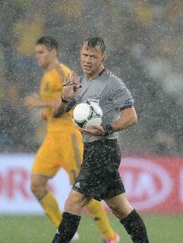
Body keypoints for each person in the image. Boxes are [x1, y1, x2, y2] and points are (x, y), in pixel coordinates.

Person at [51, 37, 149, 243]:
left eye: (93, 56)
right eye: (84, 55)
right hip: (91, 150)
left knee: (73, 202)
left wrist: (106, 129)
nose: (87, 60)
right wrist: (65, 98)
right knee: (120, 208)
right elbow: (56, 114)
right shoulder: (80, 83)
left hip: (105, 150)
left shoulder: (113, 84)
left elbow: (131, 116)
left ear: (103, 57)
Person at [24, 36, 119, 243]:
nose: (37, 56)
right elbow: (56, 108)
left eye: (41, 52)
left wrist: (42, 103)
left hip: (69, 138)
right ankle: (66, 231)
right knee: (36, 184)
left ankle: (110, 237)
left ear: (53, 52)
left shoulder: (63, 73)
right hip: (52, 139)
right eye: (36, 52)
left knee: (84, 189)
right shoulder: (47, 75)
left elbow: (71, 101)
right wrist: (47, 112)